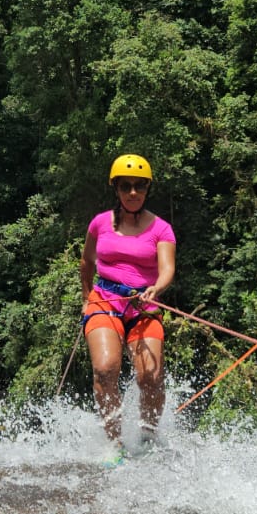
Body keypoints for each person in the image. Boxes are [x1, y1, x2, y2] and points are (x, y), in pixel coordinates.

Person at [79, 152, 176, 458]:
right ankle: (114, 443)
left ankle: (148, 437)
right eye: (126, 186)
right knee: (106, 369)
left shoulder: (161, 228)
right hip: (104, 300)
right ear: (116, 189)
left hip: (143, 306)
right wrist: (86, 300)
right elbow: (86, 263)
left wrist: (156, 288)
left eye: (140, 186)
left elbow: (167, 269)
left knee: (150, 377)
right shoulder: (99, 224)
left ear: (148, 189)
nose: (133, 192)